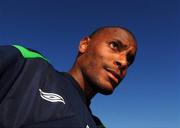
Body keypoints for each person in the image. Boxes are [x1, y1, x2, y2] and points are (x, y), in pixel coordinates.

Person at [0, 26, 137, 128]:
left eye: (129, 59)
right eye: (114, 46)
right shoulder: (26, 64)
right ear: (84, 45)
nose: (124, 62)